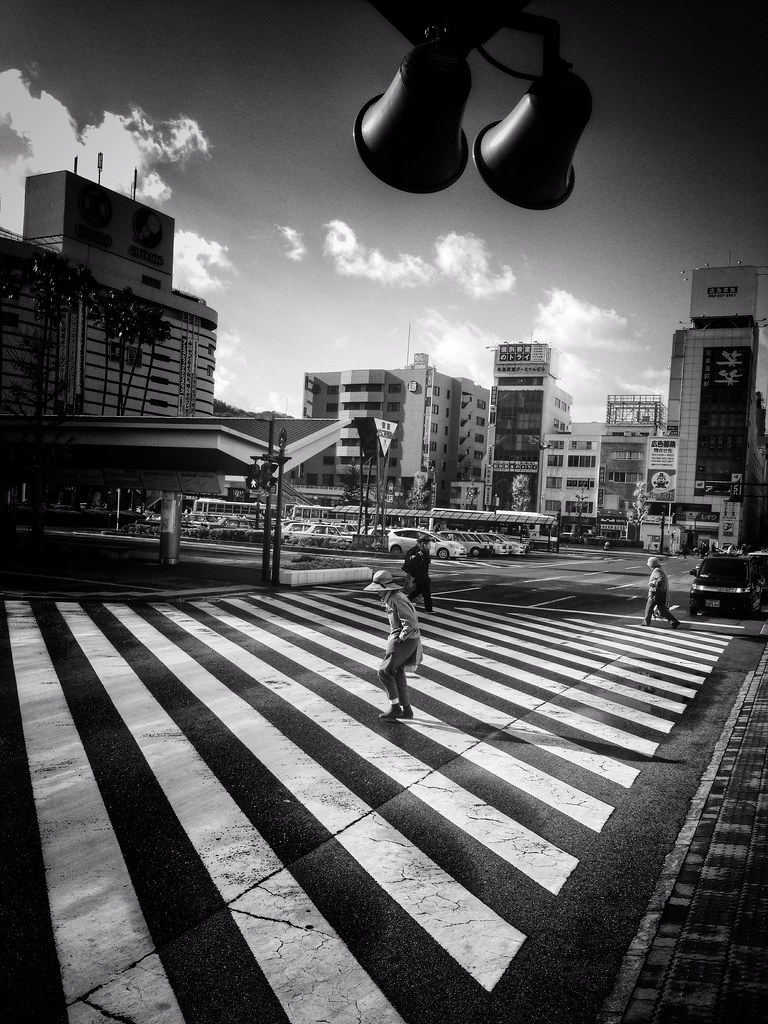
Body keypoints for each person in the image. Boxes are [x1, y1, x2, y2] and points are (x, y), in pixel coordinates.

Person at [363, 569, 422, 720]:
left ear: (385, 588)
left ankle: (395, 708)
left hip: (406, 640)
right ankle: (407, 709)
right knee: (396, 671)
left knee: (384, 671)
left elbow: (411, 622)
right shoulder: (393, 597)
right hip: (406, 638)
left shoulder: (396, 599)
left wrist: (400, 639)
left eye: (378, 590)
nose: (377, 593)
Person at [642, 556, 680, 628]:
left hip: (655, 593)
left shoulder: (656, 570)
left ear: (651, 564)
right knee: (662, 609)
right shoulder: (660, 569)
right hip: (661, 593)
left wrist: (653, 583)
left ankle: (646, 622)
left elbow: (661, 579)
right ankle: (674, 622)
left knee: (649, 607)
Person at [403, 534, 433, 613]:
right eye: (428, 544)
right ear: (423, 543)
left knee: (417, 592)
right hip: (417, 576)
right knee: (414, 590)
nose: (430, 545)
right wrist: (413, 576)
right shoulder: (414, 552)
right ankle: (428, 609)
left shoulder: (424, 552)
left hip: (422, 576)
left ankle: (428, 609)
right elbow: (411, 565)